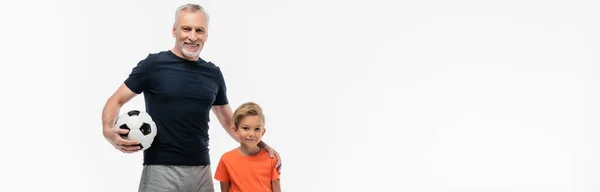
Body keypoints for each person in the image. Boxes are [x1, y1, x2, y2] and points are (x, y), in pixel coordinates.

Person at [100, 4, 281, 192]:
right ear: (174, 31)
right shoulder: (153, 65)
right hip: (160, 170)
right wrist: (107, 130)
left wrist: (262, 146)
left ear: (207, 35)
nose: (192, 36)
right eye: (186, 29)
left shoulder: (213, 73)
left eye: (199, 30)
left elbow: (230, 121)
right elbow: (117, 100)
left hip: (201, 170)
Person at [214, 102, 281, 192]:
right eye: (246, 128)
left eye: (257, 129)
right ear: (235, 130)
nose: (252, 134)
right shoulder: (226, 159)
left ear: (263, 132)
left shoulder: (271, 159)